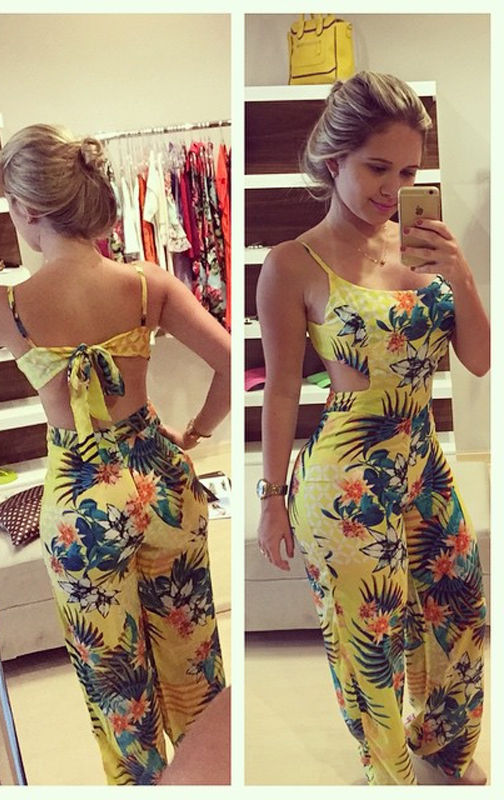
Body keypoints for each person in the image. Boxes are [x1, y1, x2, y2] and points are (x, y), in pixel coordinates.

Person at [0, 123, 230, 785]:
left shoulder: (4, 306)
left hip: (81, 504)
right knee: (194, 663)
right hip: (161, 480)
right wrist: (197, 430)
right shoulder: (148, 286)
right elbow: (233, 363)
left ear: (27, 210)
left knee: (115, 683)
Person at [256, 71, 488, 785]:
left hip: (424, 458)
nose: (394, 188)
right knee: (373, 644)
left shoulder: (423, 248)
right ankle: (391, 774)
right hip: (346, 481)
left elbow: (479, 360)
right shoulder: (292, 264)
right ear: (334, 161)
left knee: (463, 609)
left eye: (409, 172)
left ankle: (443, 743)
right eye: (377, 168)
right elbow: (283, 390)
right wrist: (270, 499)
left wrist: (462, 275)